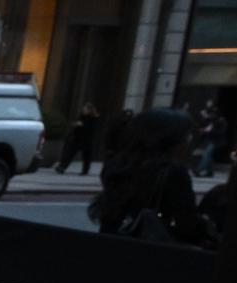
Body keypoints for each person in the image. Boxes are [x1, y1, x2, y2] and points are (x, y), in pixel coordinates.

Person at [92, 107, 214, 245]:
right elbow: (187, 224)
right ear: (170, 140)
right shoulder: (173, 172)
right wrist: (206, 225)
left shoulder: (118, 164)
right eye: (186, 137)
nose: (189, 142)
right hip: (145, 252)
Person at [59, 101, 103, 176]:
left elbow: (92, 129)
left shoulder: (94, 118)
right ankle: (62, 167)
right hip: (78, 138)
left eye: (85, 109)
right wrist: (76, 125)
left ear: (89, 110)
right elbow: (78, 125)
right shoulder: (82, 116)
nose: (83, 110)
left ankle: (85, 170)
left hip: (87, 140)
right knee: (70, 153)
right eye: (84, 108)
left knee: (86, 156)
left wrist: (82, 125)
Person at [189, 101, 218, 178]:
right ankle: (210, 172)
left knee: (206, 155)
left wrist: (206, 116)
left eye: (210, 103)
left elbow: (212, 125)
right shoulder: (207, 114)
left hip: (213, 139)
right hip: (208, 138)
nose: (208, 104)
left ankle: (198, 170)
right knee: (208, 155)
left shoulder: (214, 114)